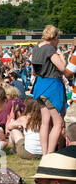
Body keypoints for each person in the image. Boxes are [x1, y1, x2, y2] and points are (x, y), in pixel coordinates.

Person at [30, 25, 68, 155]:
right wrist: (62, 57)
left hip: (40, 86)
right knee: (58, 123)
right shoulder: (49, 49)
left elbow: (34, 70)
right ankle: (50, 156)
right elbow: (62, 68)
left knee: (45, 123)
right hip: (52, 86)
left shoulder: (36, 48)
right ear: (55, 37)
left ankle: (45, 154)